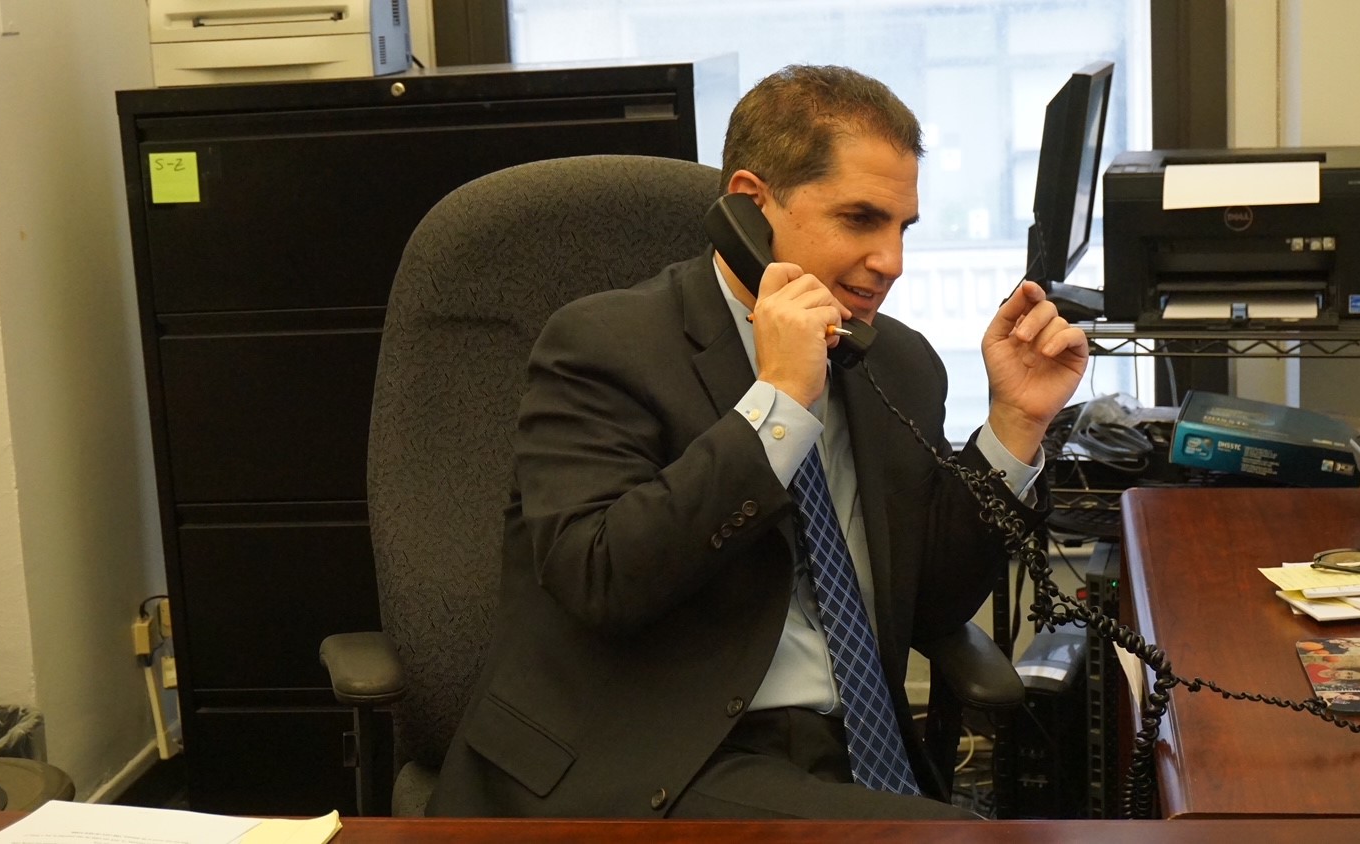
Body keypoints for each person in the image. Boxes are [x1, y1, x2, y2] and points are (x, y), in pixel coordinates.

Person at [430, 64, 1088, 820]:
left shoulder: (895, 362)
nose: (892, 262)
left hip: (842, 752)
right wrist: (777, 405)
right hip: (659, 759)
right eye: (860, 219)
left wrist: (1014, 425)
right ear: (751, 203)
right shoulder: (603, 345)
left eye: (902, 227)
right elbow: (600, 580)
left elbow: (933, 604)